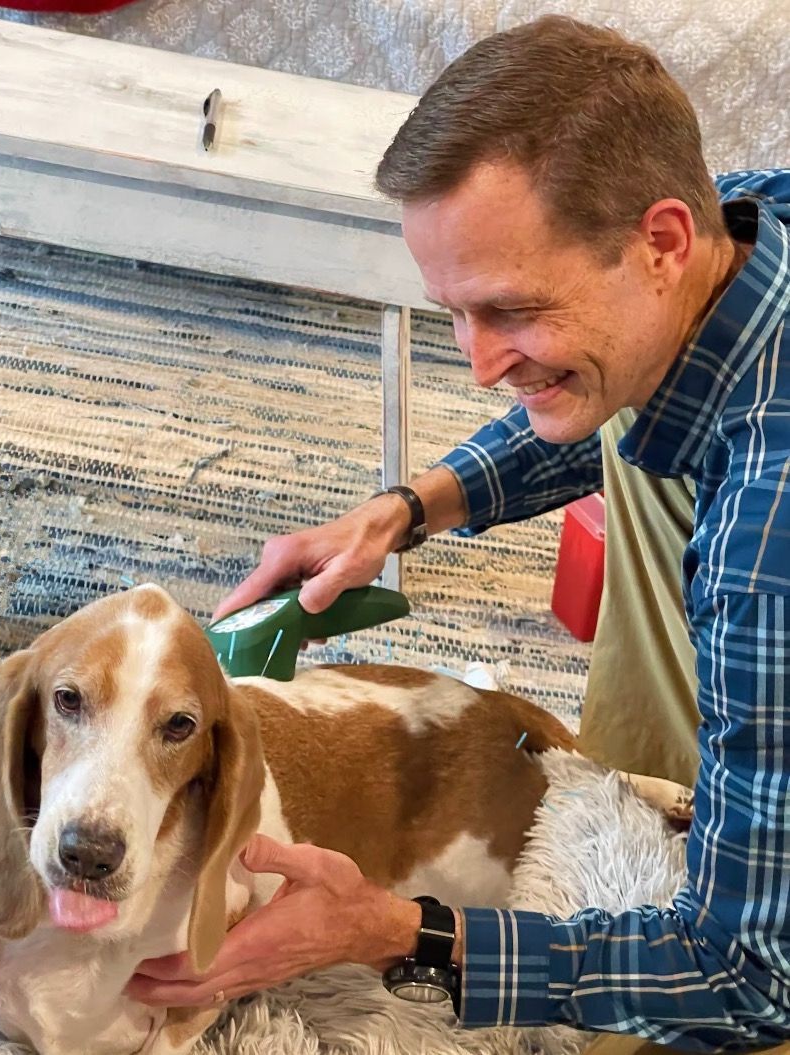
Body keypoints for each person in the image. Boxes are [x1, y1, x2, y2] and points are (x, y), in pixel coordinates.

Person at [126, 16, 790, 1052]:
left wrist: (401, 934)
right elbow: (623, 379)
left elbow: (748, 974)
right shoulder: (742, 228)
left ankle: (688, 830)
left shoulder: (762, 546)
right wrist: (407, 508)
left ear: (659, 241)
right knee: (629, 421)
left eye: (511, 310)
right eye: (452, 312)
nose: (478, 365)